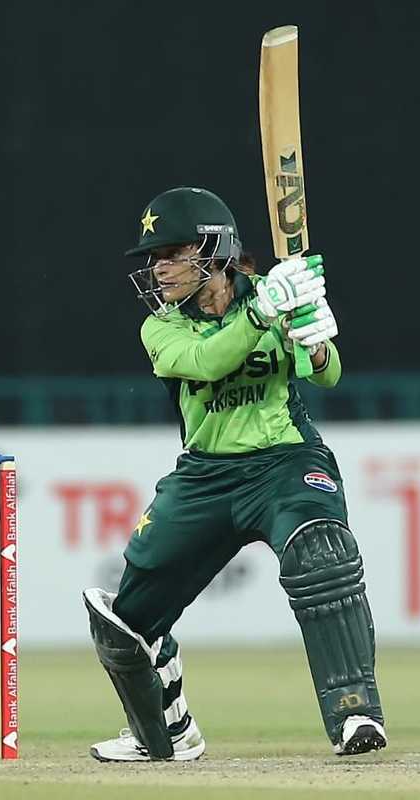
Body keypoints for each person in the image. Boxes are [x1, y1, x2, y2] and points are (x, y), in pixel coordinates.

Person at [84, 187, 386, 762]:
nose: (158, 268)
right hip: (206, 476)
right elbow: (207, 362)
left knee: (319, 551)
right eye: (154, 257)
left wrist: (316, 340)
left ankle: (355, 713)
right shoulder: (164, 328)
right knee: (128, 621)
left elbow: (327, 376)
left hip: (285, 460)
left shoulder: (276, 296)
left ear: (214, 249)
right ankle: (168, 731)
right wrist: (266, 311)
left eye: (171, 253)